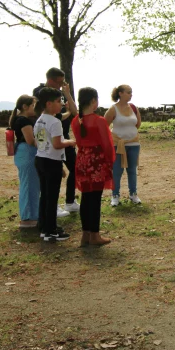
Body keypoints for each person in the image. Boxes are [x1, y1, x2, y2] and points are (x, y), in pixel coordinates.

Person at [71, 88, 115, 246]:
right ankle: (95, 235)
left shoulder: (76, 120)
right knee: (95, 199)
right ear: (93, 101)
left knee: (86, 198)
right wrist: (110, 161)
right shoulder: (99, 120)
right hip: (96, 161)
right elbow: (107, 144)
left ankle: (85, 234)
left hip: (82, 159)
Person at [33, 67, 79, 217]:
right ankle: (52, 207)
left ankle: (70, 201)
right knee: (52, 175)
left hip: (62, 135)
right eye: (59, 83)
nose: (61, 86)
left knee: (75, 168)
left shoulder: (61, 94)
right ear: (50, 80)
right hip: (49, 139)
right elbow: (49, 114)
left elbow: (74, 111)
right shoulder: (40, 92)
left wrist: (67, 94)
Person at [34, 87, 76, 242]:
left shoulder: (40, 119)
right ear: (49, 104)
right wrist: (70, 142)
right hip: (51, 161)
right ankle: (50, 231)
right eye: (59, 101)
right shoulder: (55, 121)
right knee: (51, 198)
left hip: (41, 159)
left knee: (45, 195)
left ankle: (44, 226)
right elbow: (57, 144)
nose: (61, 104)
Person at [104, 85, 142, 207]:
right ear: (120, 93)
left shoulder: (133, 108)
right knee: (117, 170)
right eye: (128, 92)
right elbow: (105, 125)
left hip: (133, 143)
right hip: (117, 145)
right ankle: (115, 195)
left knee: (132, 170)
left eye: (131, 92)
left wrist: (129, 135)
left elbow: (138, 124)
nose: (131, 95)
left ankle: (133, 194)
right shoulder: (113, 109)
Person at [10, 95, 39, 229]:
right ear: (25, 107)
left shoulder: (18, 119)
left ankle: (32, 215)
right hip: (28, 153)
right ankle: (28, 218)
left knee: (30, 185)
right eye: (33, 106)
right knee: (29, 186)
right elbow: (30, 140)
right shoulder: (24, 121)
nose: (35, 108)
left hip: (23, 153)